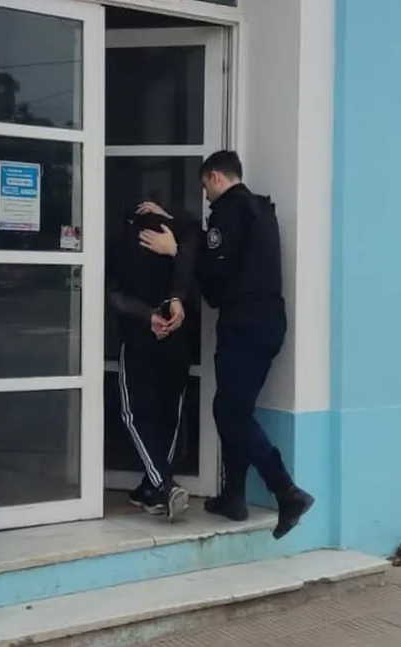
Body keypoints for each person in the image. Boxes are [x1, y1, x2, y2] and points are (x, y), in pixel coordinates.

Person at [138, 151, 314, 540]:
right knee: (236, 408)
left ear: (216, 177)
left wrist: (176, 253)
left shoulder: (227, 214)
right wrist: (172, 220)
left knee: (230, 412)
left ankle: (287, 492)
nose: (205, 197)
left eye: (204, 187)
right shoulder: (259, 210)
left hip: (244, 325)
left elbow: (215, 274)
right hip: (269, 322)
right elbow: (219, 250)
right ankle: (233, 497)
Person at [106, 201, 200, 521]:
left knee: (133, 413)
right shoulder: (183, 236)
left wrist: (148, 317)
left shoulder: (121, 243)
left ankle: (163, 484)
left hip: (140, 338)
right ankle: (152, 488)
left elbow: (114, 294)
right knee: (169, 414)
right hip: (178, 339)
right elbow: (197, 273)